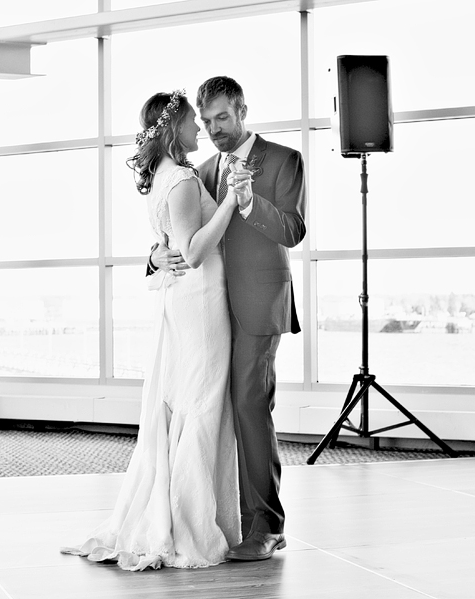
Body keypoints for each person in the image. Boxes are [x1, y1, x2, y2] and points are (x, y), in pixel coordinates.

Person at [61, 90, 242, 570]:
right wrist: (230, 202)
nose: (199, 129)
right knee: (202, 404)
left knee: (188, 402)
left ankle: (192, 512)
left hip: (183, 299)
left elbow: (169, 246)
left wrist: (154, 254)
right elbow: (196, 250)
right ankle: (191, 524)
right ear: (172, 127)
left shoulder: (165, 176)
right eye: (191, 122)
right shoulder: (182, 179)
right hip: (199, 303)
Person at [148, 76, 307, 561]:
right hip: (209, 311)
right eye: (206, 120)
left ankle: (268, 525)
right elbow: (184, 231)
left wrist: (249, 202)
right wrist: (155, 256)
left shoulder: (284, 160)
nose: (214, 129)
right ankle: (230, 519)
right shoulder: (200, 168)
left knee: (248, 404)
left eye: (223, 117)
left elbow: (294, 230)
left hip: (259, 305)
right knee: (218, 409)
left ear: (242, 111)